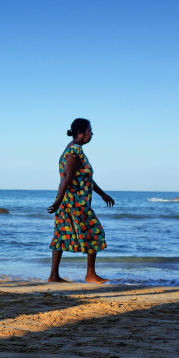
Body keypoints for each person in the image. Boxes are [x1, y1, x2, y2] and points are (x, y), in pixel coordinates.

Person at [46, 118, 115, 283]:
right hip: (76, 203)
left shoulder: (70, 150)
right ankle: (90, 275)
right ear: (80, 133)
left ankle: (53, 276)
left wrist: (102, 194)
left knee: (60, 235)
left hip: (67, 202)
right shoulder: (75, 151)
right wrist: (58, 200)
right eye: (89, 131)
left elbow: (85, 178)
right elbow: (67, 176)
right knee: (96, 232)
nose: (91, 134)